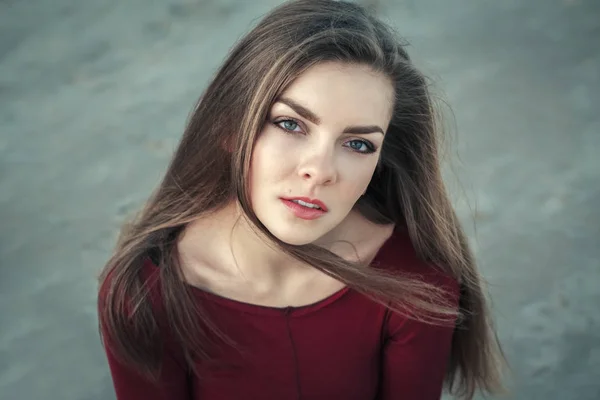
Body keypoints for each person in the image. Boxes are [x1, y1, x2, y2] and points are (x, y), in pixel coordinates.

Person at [97, 0, 506, 399]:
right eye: (290, 123)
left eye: (359, 144)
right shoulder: (145, 293)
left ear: (381, 163)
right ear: (231, 127)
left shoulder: (414, 280)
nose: (321, 169)